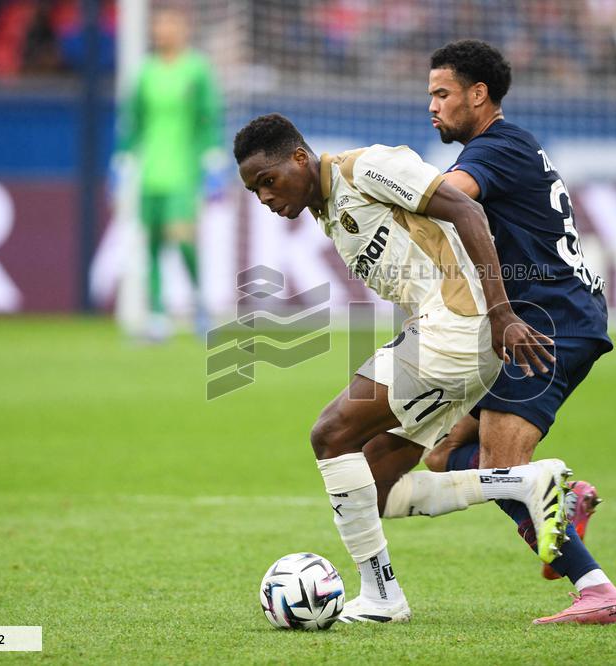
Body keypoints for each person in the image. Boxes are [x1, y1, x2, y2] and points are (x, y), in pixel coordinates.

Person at [234, 113, 568, 624]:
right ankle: (521, 484)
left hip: (457, 327)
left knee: (331, 434)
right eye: (255, 191)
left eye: (268, 181)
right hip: (446, 334)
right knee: (374, 485)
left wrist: (502, 312)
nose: (265, 198)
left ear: (299, 159)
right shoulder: (327, 211)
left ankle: (382, 596)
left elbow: (467, 212)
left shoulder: (365, 168)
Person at [363, 40, 616, 625]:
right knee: (441, 455)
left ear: (478, 95)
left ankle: (598, 591)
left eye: (441, 94)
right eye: (428, 94)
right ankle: (564, 496)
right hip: (534, 321)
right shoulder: (507, 147)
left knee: (500, 463)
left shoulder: (499, 147)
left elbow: (449, 195)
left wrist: (373, 191)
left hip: (548, 324)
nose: (431, 106)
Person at [117, 5, 223, 341]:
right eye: (158, 25)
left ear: (183, 29)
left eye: (169, 25)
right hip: (151, 172)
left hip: (183, 170)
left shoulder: (197, 69)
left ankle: (200, 304)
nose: (162, 31)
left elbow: (208, 118)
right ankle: (157, 316)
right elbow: (133, 120)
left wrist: (213, 158)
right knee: (152, 244)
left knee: (183, 238)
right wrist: (122, 158)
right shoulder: (146, 71)